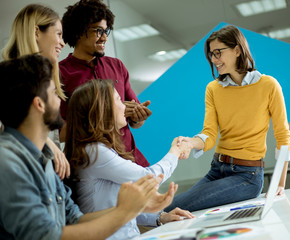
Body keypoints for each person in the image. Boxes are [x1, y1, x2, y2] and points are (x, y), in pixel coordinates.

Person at [0, 54, 178, 240]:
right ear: (39, 104)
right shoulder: (8, 161)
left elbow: (74, 219)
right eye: (54, 93)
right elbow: (46, 236)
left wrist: (130, 209)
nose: (61, 102)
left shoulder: (43, 158)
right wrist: (124, 212)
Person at [165, 25, 290, 212]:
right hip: (218, 169)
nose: (214, 59)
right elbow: (209, 134)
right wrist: (190, 143)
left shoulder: (269, 86)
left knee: (171, 208)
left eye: (218, 53)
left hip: (246, 176)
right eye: (211, 55)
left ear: (237, 50)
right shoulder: (213, 89)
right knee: (173, 209)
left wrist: (280, 183)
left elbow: (283, 136)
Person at [64, 79, 195, 239]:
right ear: (104, 109)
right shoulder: (94, 152)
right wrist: (176, 151)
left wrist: (160, 217)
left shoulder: (100, 149)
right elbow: (148, 178)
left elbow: (120, 207)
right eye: (119, 99)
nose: (126, 106)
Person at [59, 0, 151, 168]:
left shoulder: (117, 66)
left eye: (106, 30)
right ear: (79, 31)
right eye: (98, 31)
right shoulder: (60, 74)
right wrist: (104, 116)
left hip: (133, 161)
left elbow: (135, 123)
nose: (105, 37)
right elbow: (60, 134)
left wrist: (138, 117)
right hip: (96, 168)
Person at [2, 3, 70, 180]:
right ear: (36, 32)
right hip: (22, 173)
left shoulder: (49, 78)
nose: (63, 42)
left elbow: (55, 133)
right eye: (59, 34)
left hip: (49, 174)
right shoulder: (7, 78)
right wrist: (48, 144)